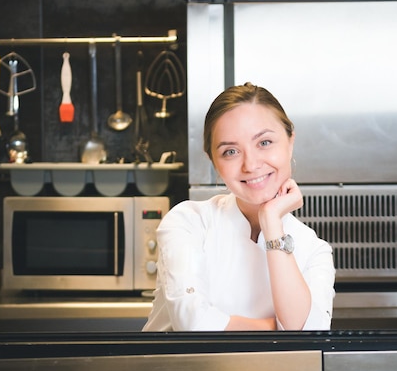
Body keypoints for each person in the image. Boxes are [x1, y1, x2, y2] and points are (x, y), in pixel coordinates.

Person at [142, 82, 335, 331]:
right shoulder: (188, 221)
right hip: (180, 370)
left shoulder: (314, 250)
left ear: (290, 142)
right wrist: (278, 329)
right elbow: (193, 324)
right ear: (214, 161)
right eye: (231, 151)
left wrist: (271, 221)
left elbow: (310, 337)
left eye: (264, 142)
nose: (251, 165)